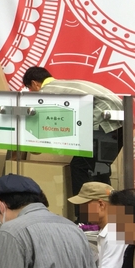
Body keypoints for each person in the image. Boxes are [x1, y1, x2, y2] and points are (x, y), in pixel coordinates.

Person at [22, 67, 124, 206]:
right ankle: (108, 212)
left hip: (104, 123)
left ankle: (84, 214)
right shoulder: (65, 86)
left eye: (29, 88)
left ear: (35, 83)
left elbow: (44, 122)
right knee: (100, 170)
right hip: (119, 124)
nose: (31, 92)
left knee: (80, 168)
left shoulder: (47, 91)